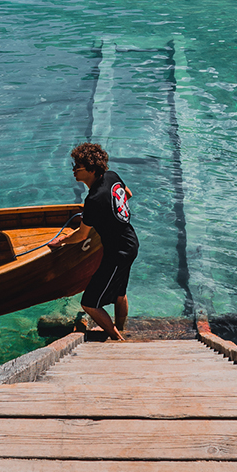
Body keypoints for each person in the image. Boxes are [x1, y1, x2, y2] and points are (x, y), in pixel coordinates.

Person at [54, 141, 138, 340]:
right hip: (131, 242)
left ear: (91, 170)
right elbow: (127, 194)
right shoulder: (112, 176)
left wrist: (62, 241)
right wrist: (111, 216)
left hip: (117, 252)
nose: (73, 170)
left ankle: (116, 338)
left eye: (78, 167)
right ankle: (121, 329)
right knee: (119, 292)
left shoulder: (93, 200)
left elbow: (81, 235)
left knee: (89, 303)